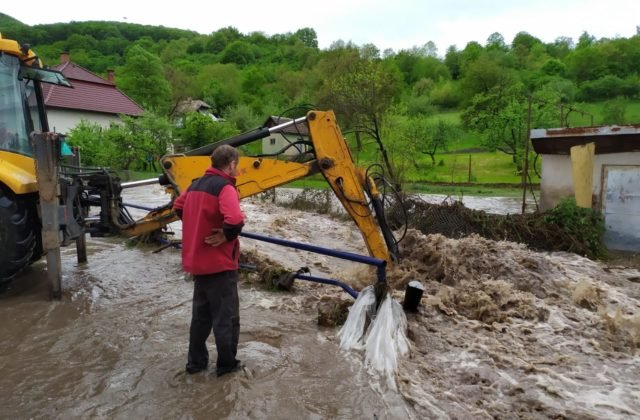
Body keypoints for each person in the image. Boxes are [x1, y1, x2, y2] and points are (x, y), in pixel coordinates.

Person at [173, 144, 245, 376]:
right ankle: (226, 365)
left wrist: (197, 227)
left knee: (201, 318)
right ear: (231, 164)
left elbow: (178, 207)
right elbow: (234, 219)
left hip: (198, 262)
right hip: (220, 263)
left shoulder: (195, 184)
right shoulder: (225, 188)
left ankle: (196, 364)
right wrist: (225, 234)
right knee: (226, 318)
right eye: (237, 166)